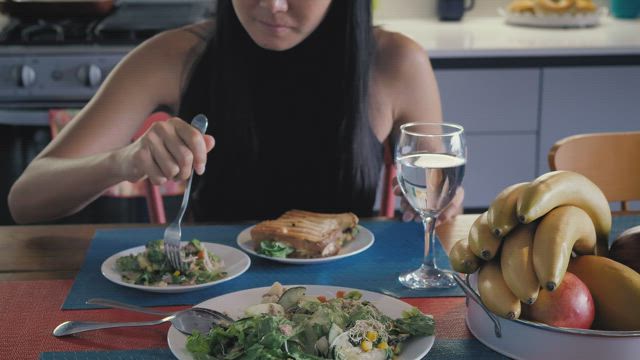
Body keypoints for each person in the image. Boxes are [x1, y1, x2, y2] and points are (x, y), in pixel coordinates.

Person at [8, 0, 463, 225]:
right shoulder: (173, 54)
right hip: (209, 304)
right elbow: (26, 199)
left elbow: (440, 204)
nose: (272, 6)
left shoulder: (397, 63)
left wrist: (441, 207)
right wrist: (123, 161)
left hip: (349, 308)